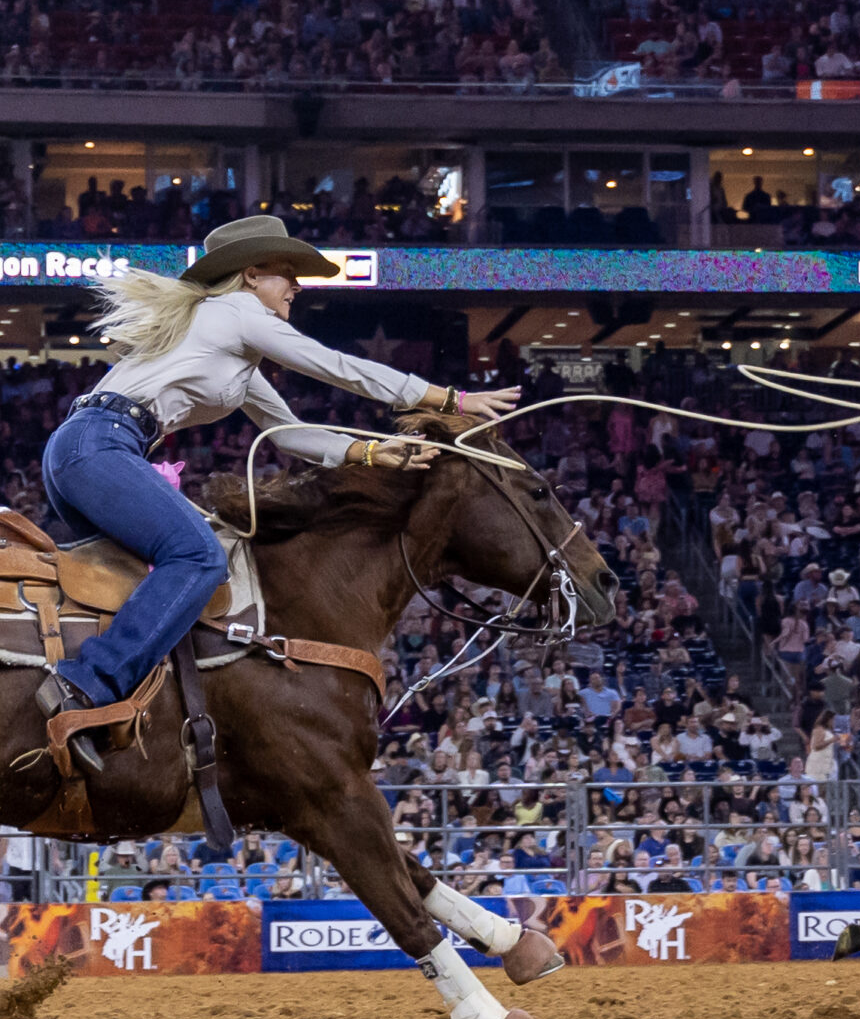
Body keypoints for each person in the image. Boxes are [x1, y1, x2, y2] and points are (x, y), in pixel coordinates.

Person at [36, 215, 518, 769]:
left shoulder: (233, 350)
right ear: (250, 276)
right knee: (198, 557)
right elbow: (334, 366)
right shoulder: (236, 313)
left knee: (145, 581)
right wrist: (446, 399)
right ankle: (87, 687)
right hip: (101, 449)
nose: (297, 287)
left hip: (88, 450)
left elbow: (289, 433)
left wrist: (368, 452)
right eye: (286, 275)